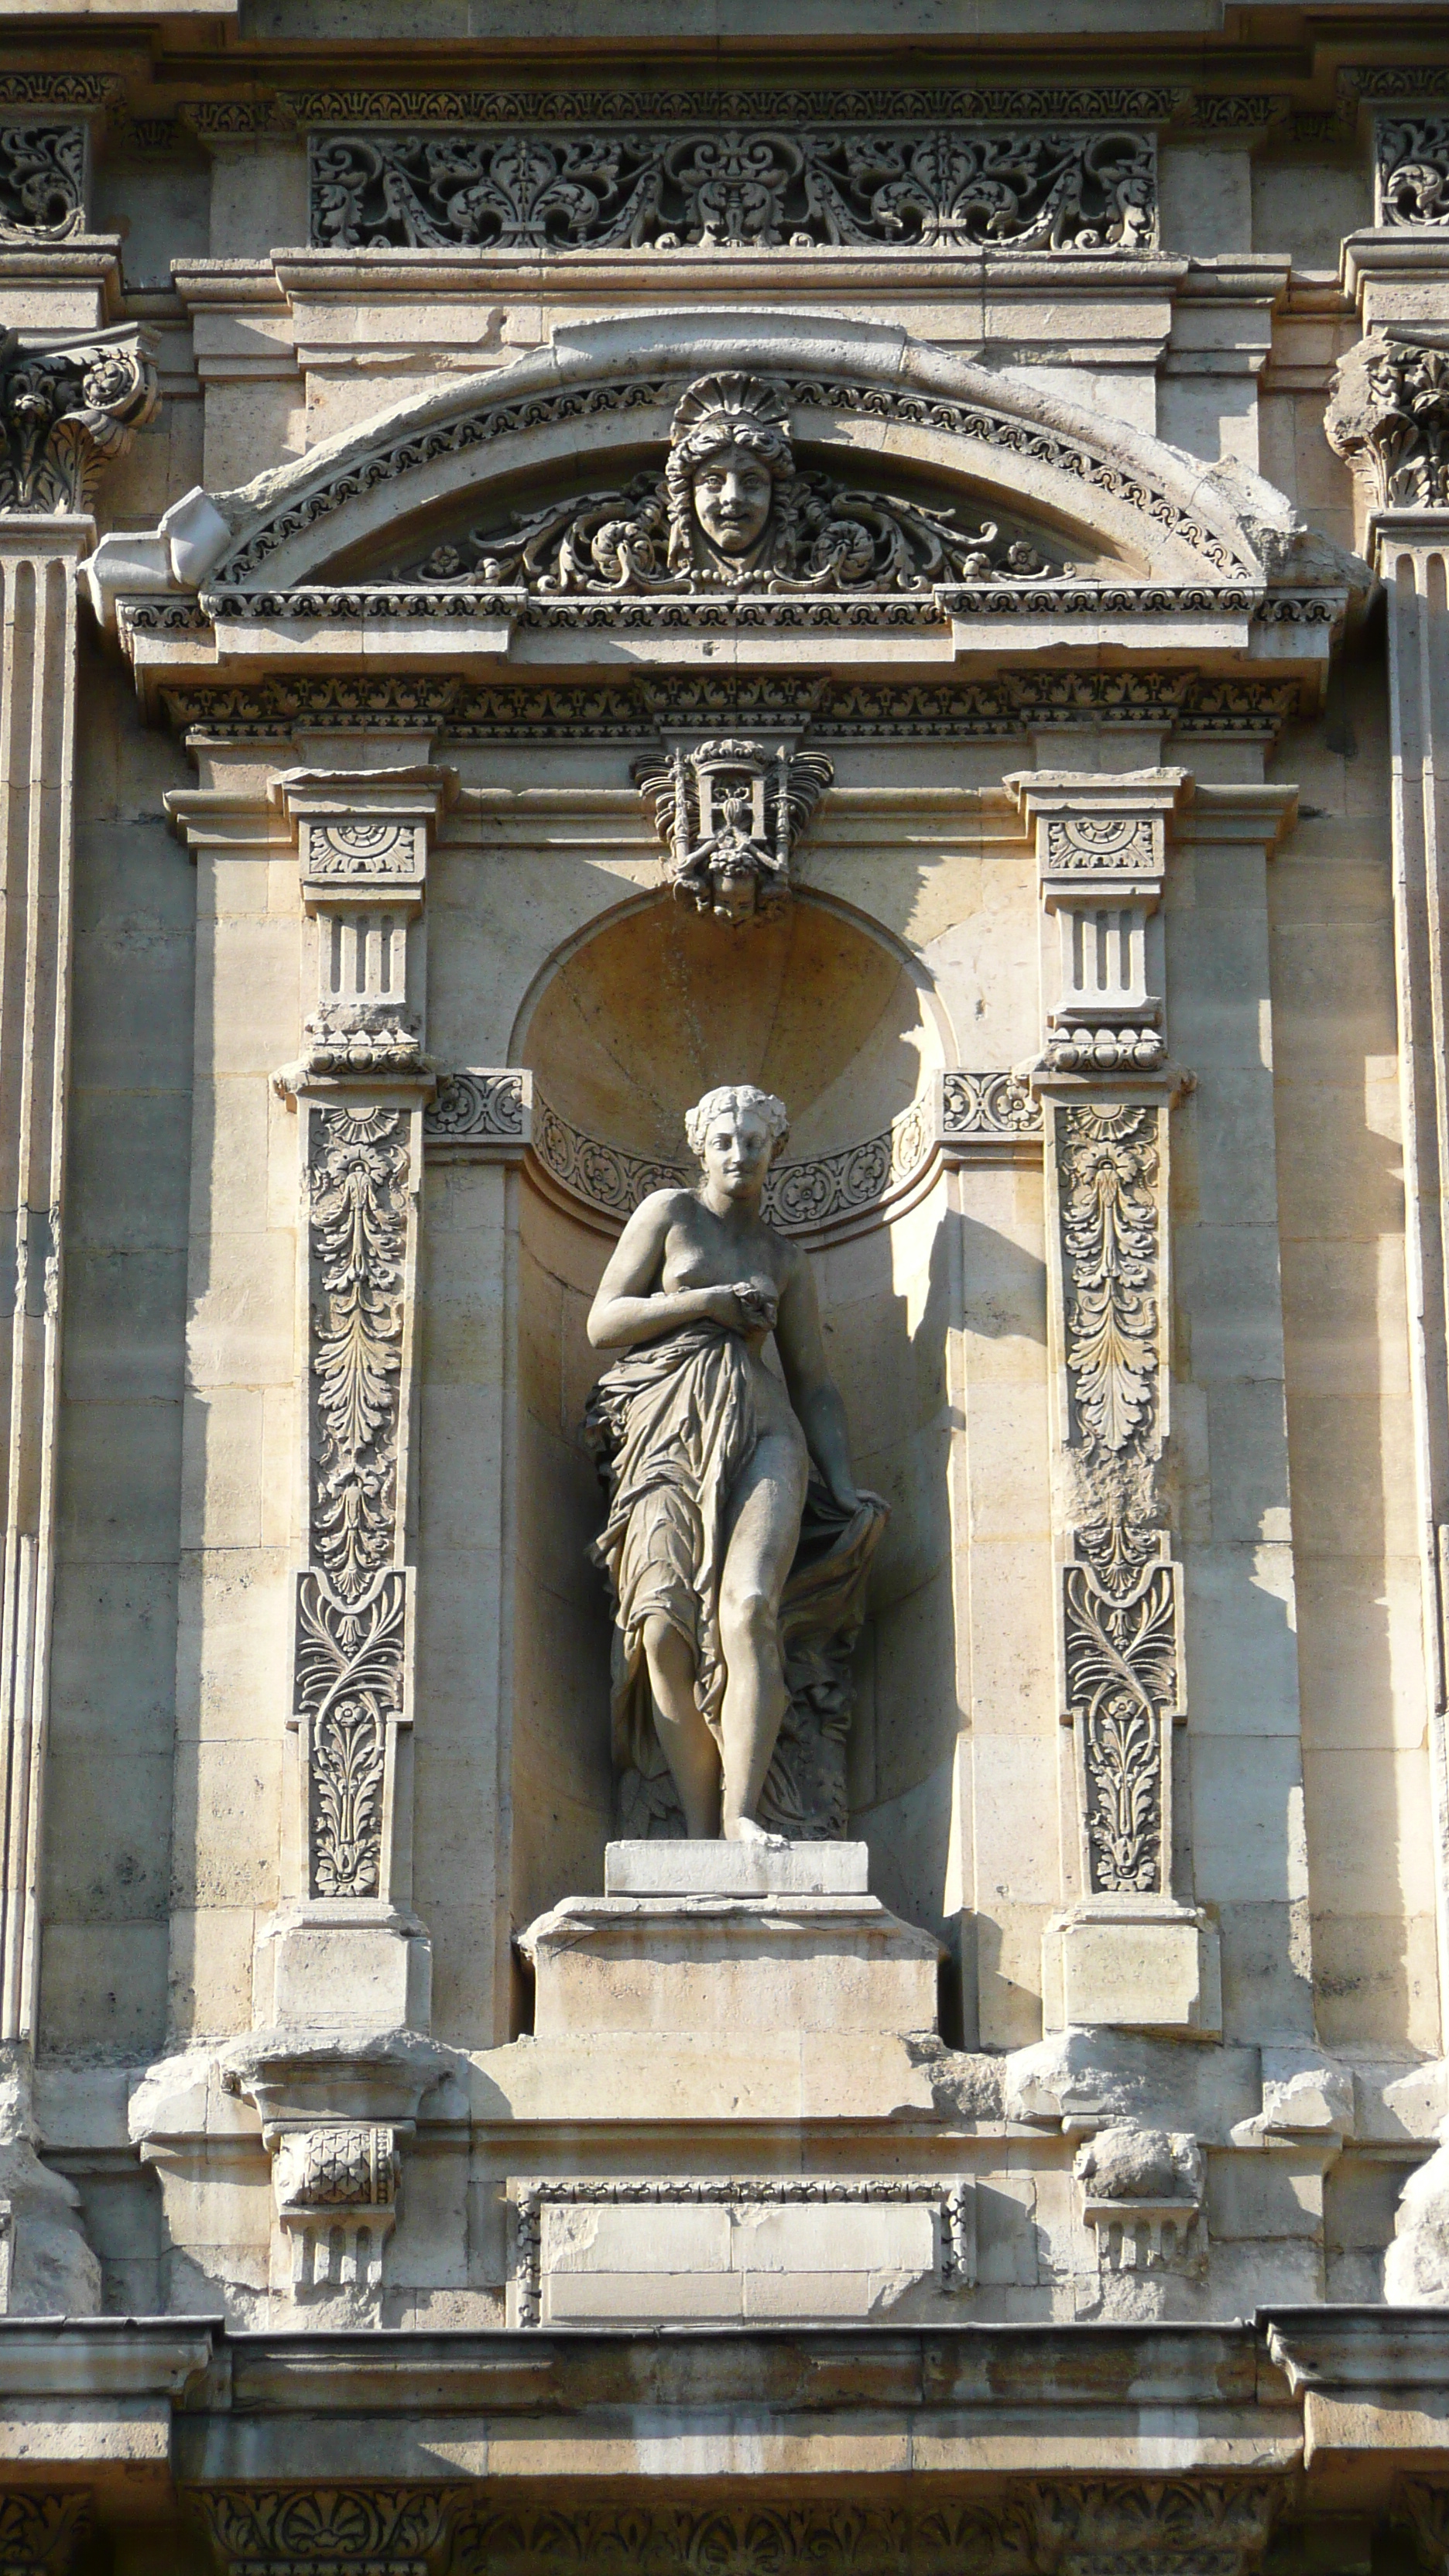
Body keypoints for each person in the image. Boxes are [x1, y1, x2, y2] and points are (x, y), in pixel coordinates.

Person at [584, 1084, 885, 1844]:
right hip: (666, 1423)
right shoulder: (668, 1215)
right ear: (701, 1147)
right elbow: (602, 1321)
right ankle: (696, 1831)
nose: (738, 1153)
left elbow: (814, 1385)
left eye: (754, 1140)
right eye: (725, 1140)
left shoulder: (786, 1258)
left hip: (763, 1430)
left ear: (775, 1150)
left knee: (750, 1605)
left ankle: (743, 1814)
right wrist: (705, 1303)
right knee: (660, 1630)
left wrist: (843, 1490)